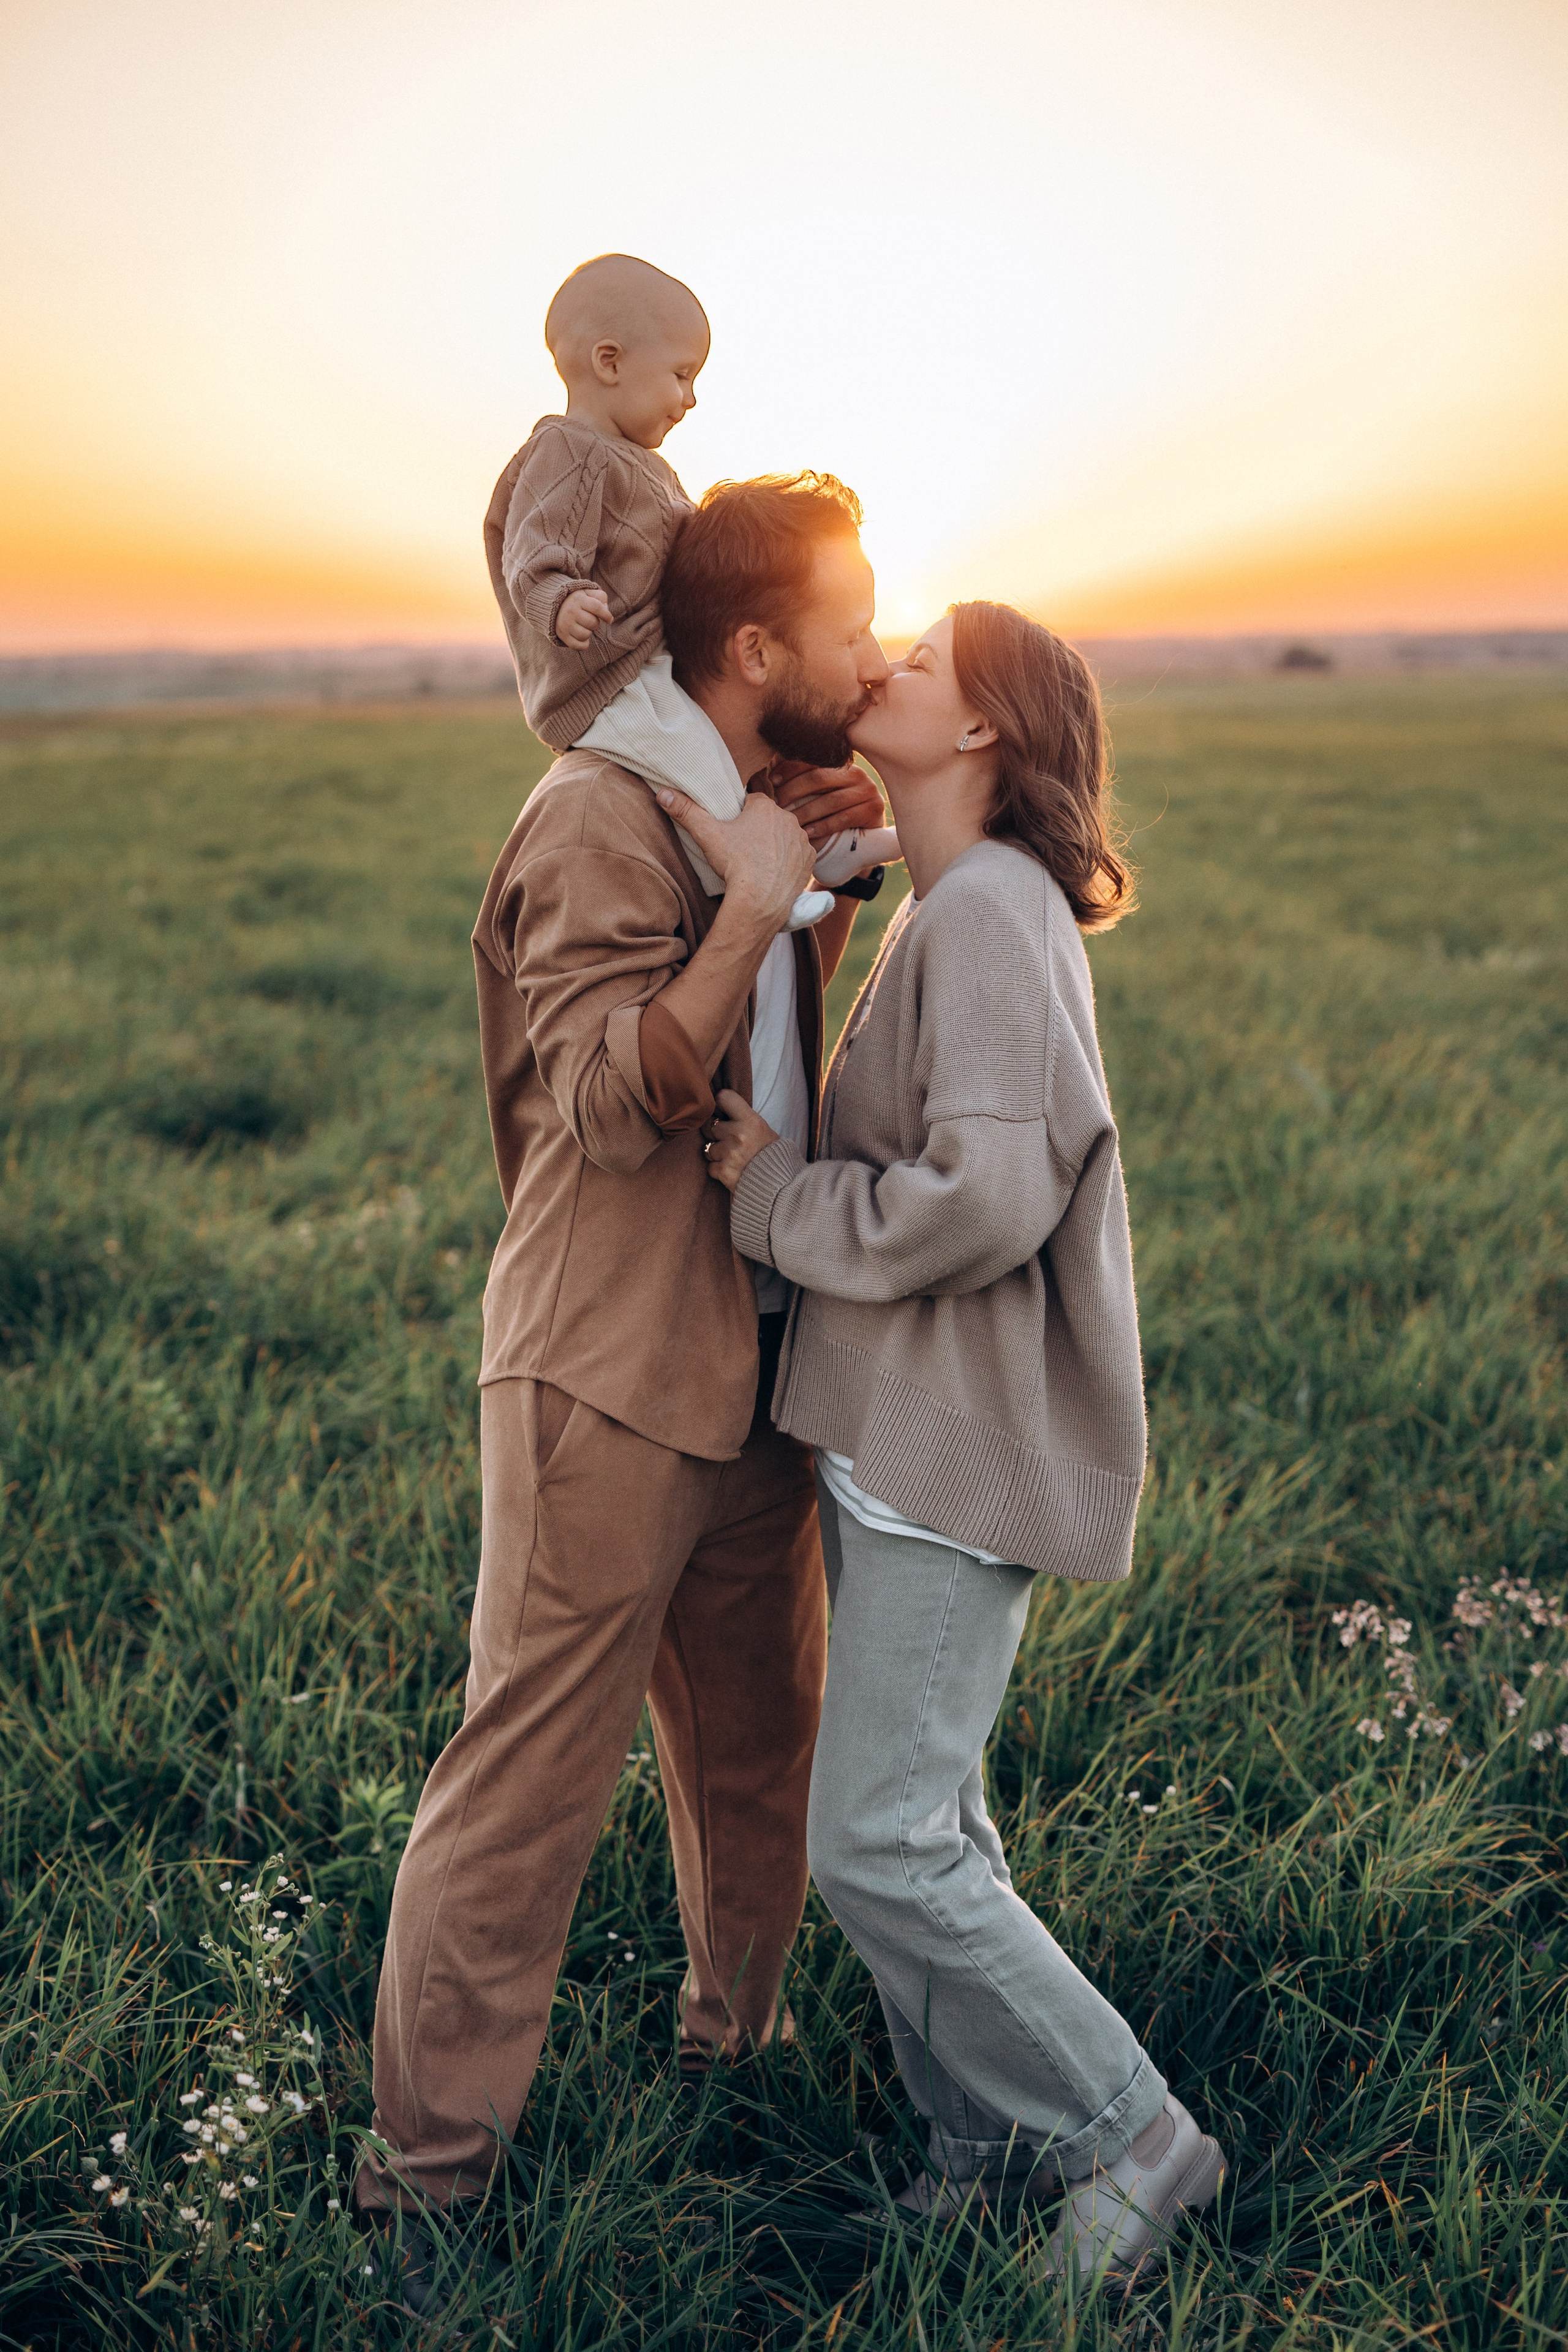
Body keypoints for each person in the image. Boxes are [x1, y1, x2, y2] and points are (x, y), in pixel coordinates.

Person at [354, 469, 892, 2313]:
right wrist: (749, 908)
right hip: (600, 1371)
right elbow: (599, 1105)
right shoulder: (595, 819)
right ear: (760, 650)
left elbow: (763, 1052)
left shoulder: (747, 800)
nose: (871, 653)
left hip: (758, 1366)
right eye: (849, 628)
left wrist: (818, 880)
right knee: (524, 1780)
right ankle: (422, 2195)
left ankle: (726, 2067)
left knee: (763, 1753)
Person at [694, 601, 1225, 2278]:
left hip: (955, 1441)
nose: (883, 672)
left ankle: (1132, 2139)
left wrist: (778, 1198)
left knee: (880, 1839)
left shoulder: (991, 908)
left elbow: (989, 1196)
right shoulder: (946, 901)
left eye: (919, 663)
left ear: (986, 729)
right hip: (904, 1432)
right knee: (928, 1820)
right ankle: (989, 2143)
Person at [484, 252, 898, 931]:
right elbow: (530, 556)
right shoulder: (564, 453)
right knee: (695, 772)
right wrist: (560, 602)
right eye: (682, 374)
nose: (692, 397)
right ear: (609, 362)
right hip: (608, 681)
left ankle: (831, 856)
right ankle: (760, 884)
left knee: (731, 762)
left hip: (644, 665)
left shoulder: (641, 465)